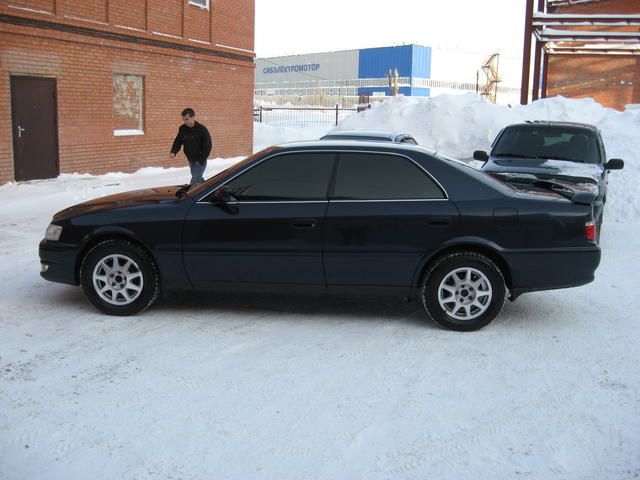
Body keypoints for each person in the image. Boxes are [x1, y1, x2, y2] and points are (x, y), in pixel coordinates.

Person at [169, 108, 212, 185]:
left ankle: (191, 195)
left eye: (187, 119)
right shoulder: (182, 129)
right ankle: (207, 190)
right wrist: (173, 151)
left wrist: (201, 160)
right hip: (190, 159)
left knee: (194, 182)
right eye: (183, 120)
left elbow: (208, 146)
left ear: (193, 117)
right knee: (198, 178)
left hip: (200, 160)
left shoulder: (201, 129)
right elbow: (178, 141)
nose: (185, 122)